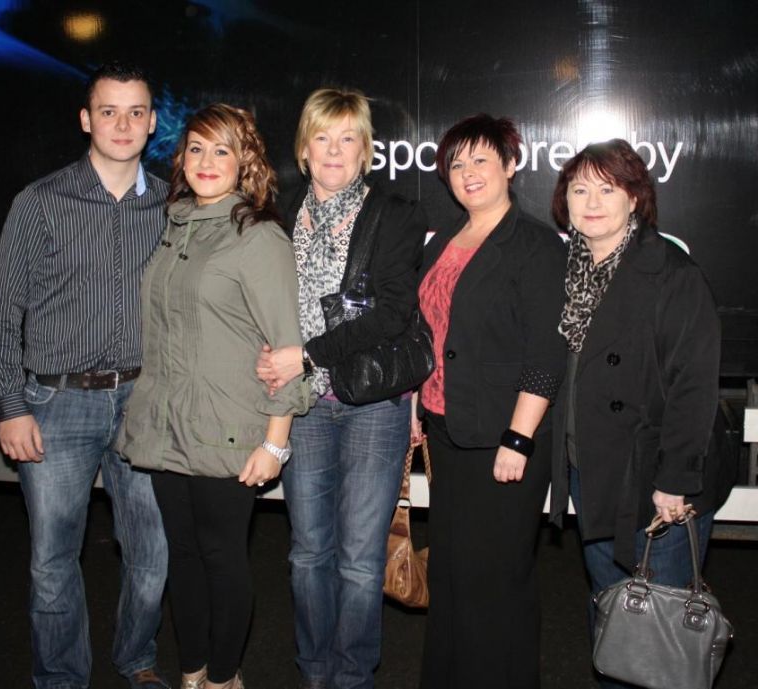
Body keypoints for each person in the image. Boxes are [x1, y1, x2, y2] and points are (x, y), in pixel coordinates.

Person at [0, 62, 170, 689]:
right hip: (56, 403)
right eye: (109, 111)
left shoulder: (172, 205)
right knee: (53, 559)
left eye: (136, 112)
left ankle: (137, 660)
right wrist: (11, 406)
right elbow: (1, 313)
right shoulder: (39, 203)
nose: (123, 124)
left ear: (152, 122)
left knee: (152, 553)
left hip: (143, 401)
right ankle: (61, 678)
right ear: (86, 119)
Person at [116, 103, 310, 689]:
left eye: (221, 150)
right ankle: (192, 672)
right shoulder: (175, 225)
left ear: (244, 161)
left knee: (223, 559)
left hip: (229, 430)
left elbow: (286, 346)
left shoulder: (258, 236)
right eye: (196, 149)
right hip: (166, 426)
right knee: (183, 557)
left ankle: (225, 679)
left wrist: (275, 444)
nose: (206, 161)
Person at [255, 88, 427, 689]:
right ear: (303, 149)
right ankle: (314, 671)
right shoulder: (276, 213)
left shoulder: (396, 214)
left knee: (359, 558)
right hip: (300, 408)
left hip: (372, 405)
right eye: (322, 137)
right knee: (308, 554)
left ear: (365, 150)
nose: (334, 150)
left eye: (347, 137)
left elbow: (394, 313)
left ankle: (352, 676)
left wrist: (306, 354)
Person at [548, 139, 730, 689]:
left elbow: (694, 386)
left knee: (661, 631)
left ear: (634, 198)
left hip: (656, 483)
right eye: (580, 189)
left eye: (608, 190)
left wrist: (675, 481)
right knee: (615, 615)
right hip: (593, 472)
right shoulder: (568, 270)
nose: (592, 203)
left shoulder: (671, 273)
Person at [414, 114, 567, 689]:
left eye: (481, 159)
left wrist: (518, 438)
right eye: (457, 163)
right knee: (452, 574)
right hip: (449, 430)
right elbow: (430, 337)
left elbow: (546, 353)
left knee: (496, 581)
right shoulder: (444, 241)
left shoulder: (535, 245)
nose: (468, 172)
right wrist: (417, 407)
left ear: (510, 164)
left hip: (505, 440)